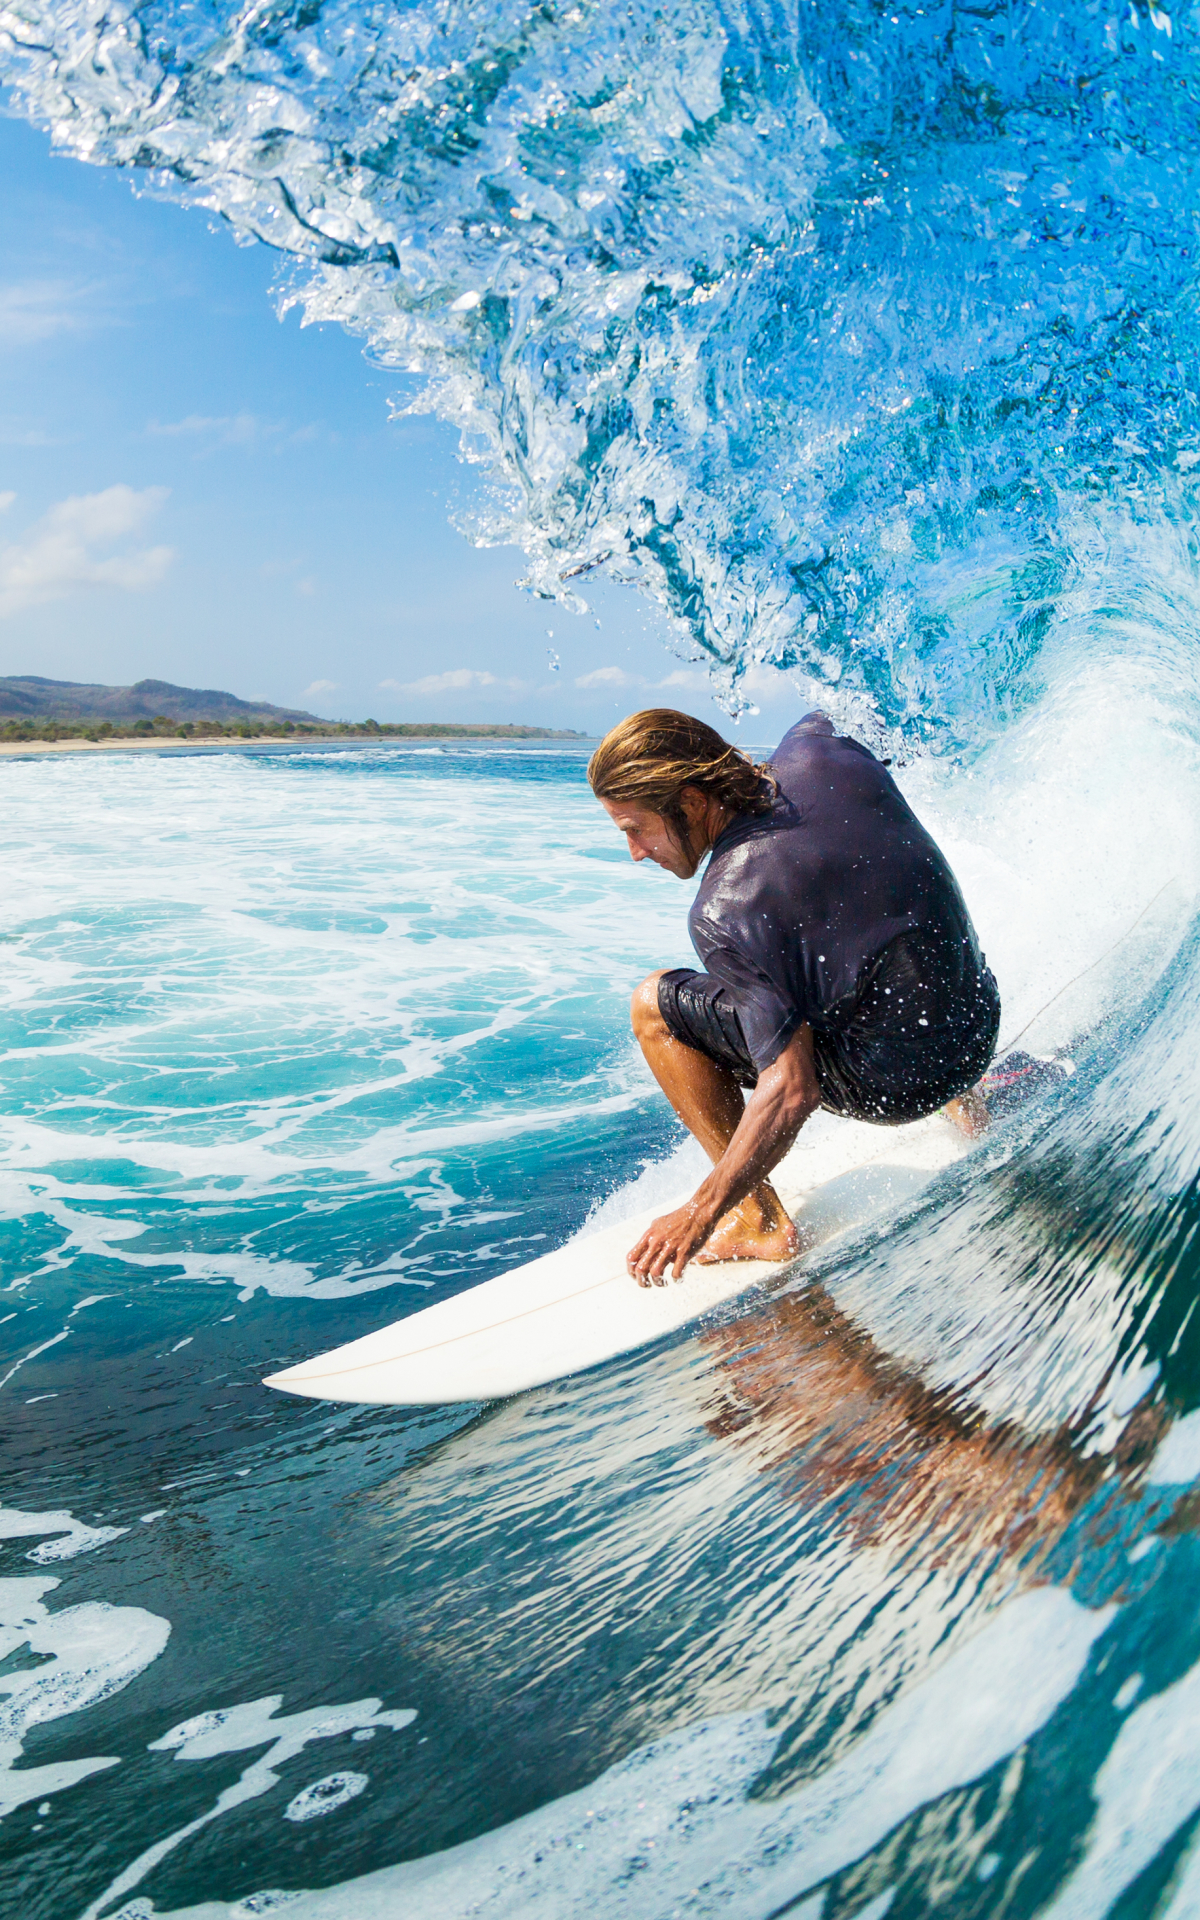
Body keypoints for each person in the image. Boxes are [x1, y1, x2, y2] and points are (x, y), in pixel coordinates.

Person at [588, 708, 1001, 1285]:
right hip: (977, 1025)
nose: (634, 851)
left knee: (652, 1005)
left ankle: (757, 1220)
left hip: (900, 1088)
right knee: (851, 924)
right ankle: (972, 1104)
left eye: (636, 828)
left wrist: (698, 1213)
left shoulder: (723, 907)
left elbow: (792, 1088)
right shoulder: (820, 747)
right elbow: (855, 712)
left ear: (690, 804)